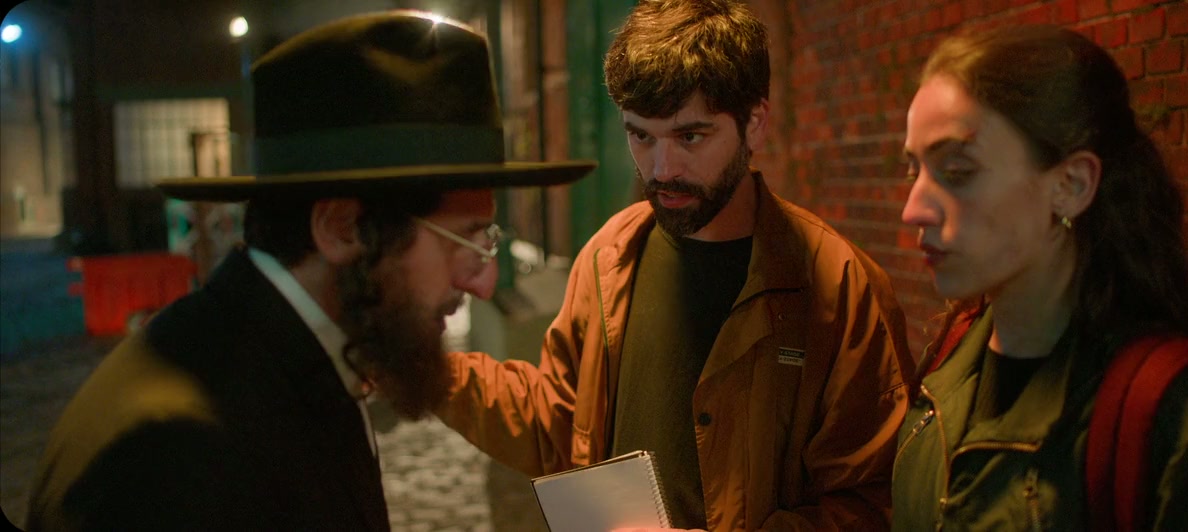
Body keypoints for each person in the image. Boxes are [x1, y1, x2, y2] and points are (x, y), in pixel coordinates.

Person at [23, 12, 594, 531]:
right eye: (465, 242)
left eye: (488, 243)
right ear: (342, 228)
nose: (483, 283)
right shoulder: (174, 460)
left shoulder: (307, 359)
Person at [435, 1, 915, 530]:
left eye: (690, 136)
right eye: (641, 135)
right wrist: (423, 367)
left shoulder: (840, 286)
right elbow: (560, 424)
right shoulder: (609, 258)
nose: (662, 169)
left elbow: (872, 502)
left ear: (755, 124)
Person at [894, 24, 1188, 530]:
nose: (913, 209)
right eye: (913, 170)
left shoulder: (1177, 420)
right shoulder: (948, 362)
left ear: (1071, 186)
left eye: (957, 172)